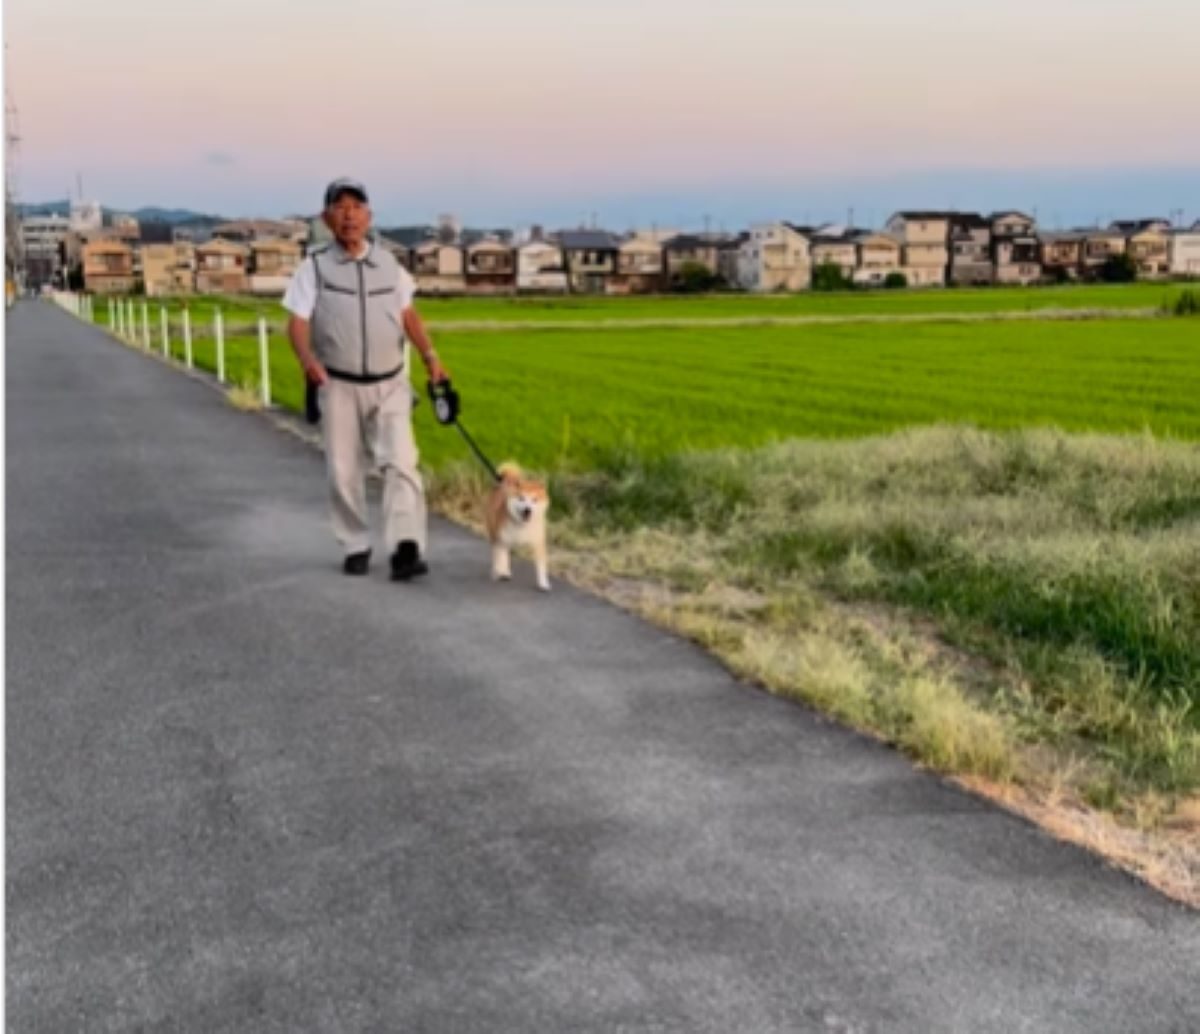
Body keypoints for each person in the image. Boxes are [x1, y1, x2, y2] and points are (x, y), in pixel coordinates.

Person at [283, 177, 448, 580]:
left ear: (369, 216)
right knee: (343, 470)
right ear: (326, 218)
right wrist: (307, 361)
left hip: (390, 381)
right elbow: (297, 323)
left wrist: (431, 357)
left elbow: (408, 314)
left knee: (402, 462)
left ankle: (406, 548)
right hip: (337, 382)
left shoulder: (390, 265)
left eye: (356, 207)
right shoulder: (314, 268)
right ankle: (355, 542)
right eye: (339, 207)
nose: (349, 214)